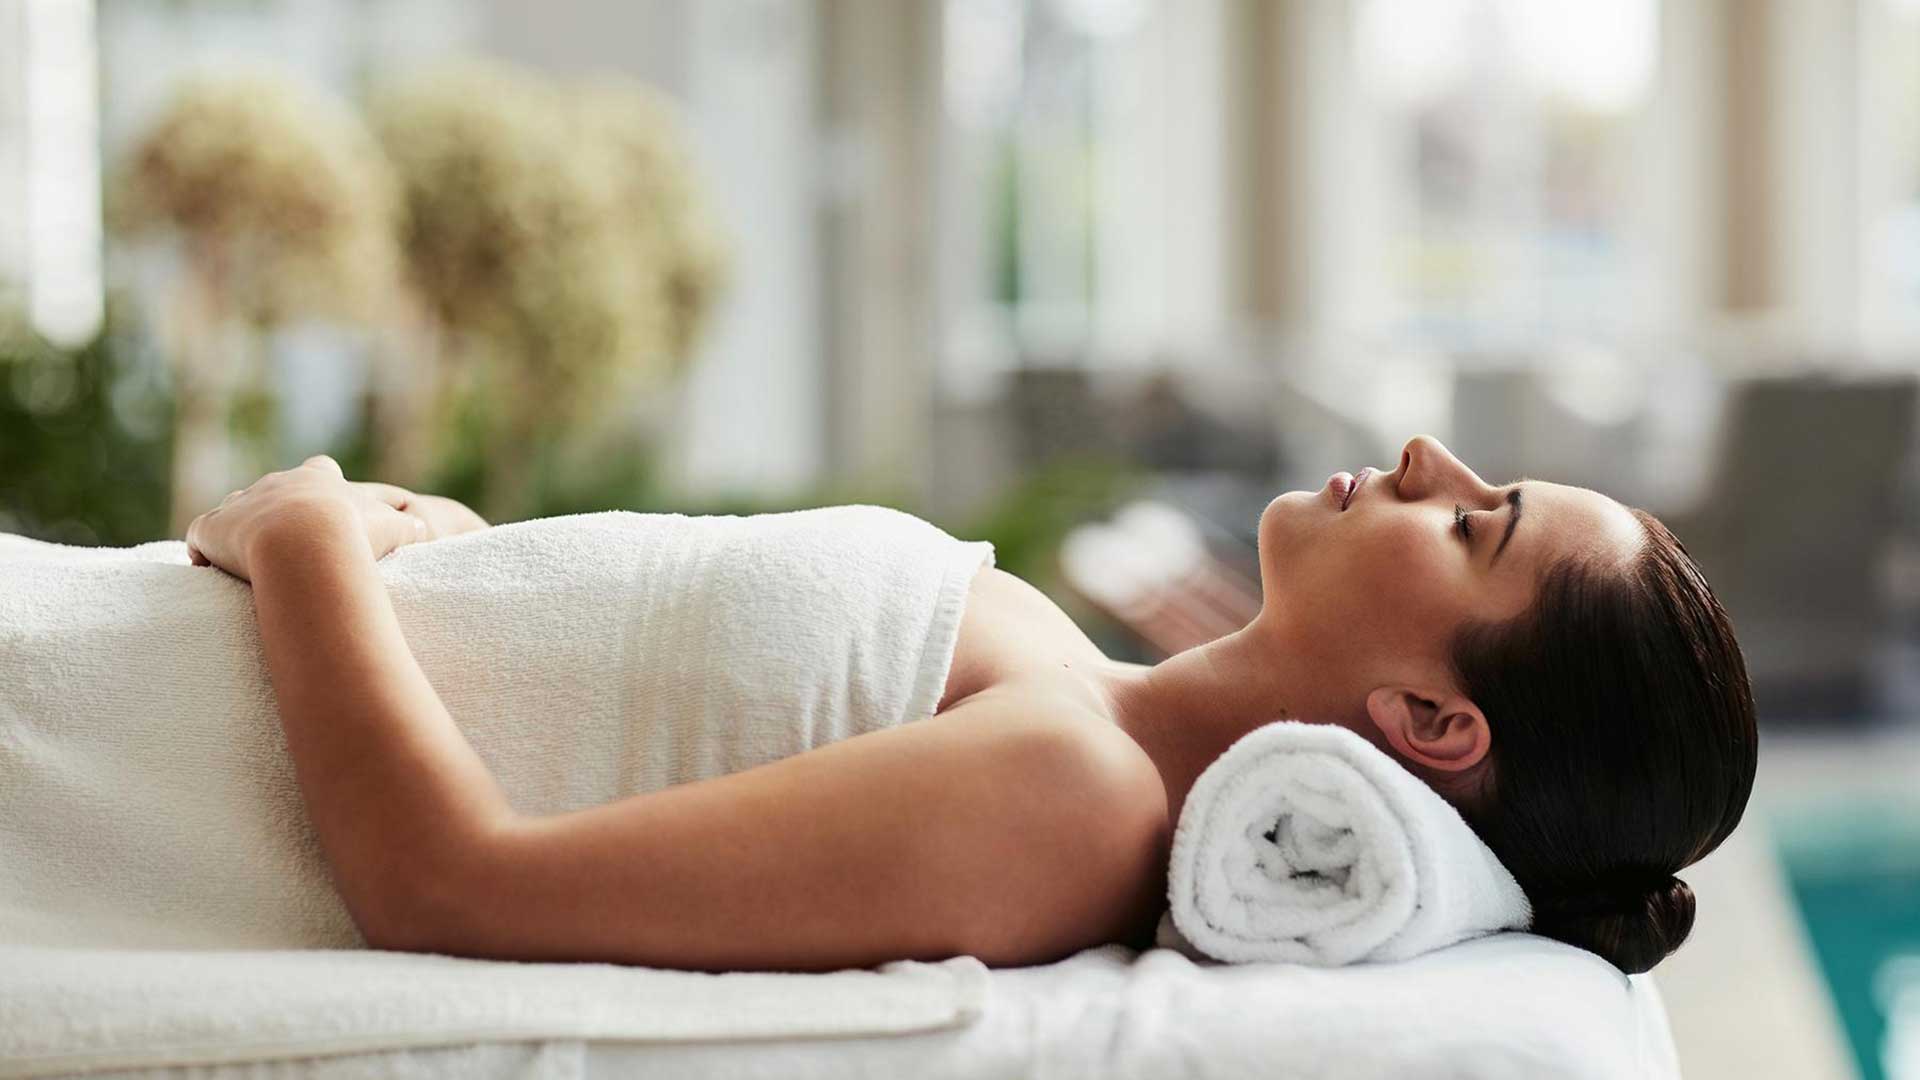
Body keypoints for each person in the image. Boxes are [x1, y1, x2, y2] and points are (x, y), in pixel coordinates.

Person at [184, 434, 1755, 976]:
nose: (1429, 458)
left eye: (1476, 525)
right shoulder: (1074, 683)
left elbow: (453, 887)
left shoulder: (1075, 803)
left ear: (1431, 723)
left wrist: (308, 539)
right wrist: (467, 557)